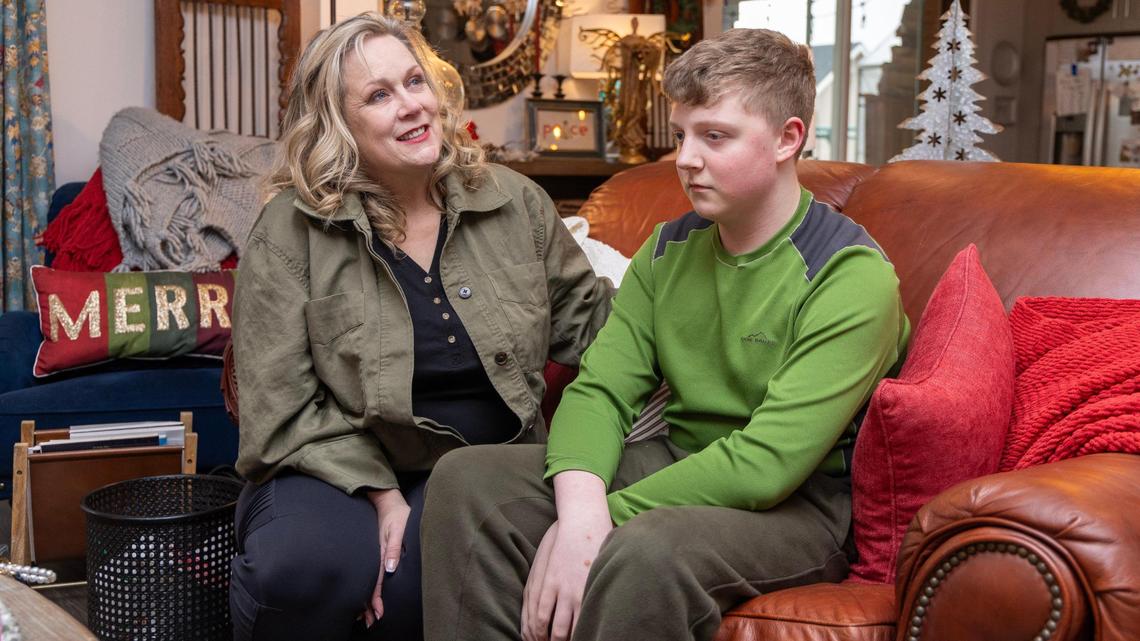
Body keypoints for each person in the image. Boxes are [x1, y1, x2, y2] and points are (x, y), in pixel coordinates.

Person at [421, 27, 911, 641]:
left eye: (715, 136)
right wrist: (579, 513)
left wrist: (603, 520)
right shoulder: (669, 249)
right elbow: (600, 390)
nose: (685, 158)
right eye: (682, 134)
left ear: (789, 139)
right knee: (467, 482)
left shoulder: (852, 278)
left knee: (646, 549)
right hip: (674, 456)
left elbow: (766, 466)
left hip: (798, 508)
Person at [228, 13, 613, 641]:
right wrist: (383, 495)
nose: (411, 106)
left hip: (486, 465)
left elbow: (596, 331)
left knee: (414, 588)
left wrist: (683, 290)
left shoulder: (516, 203)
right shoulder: (290, 231)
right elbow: (277, 411)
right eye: (379, 95)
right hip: (335, 460)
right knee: (306, 569)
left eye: (414, 82)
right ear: (338, 124)